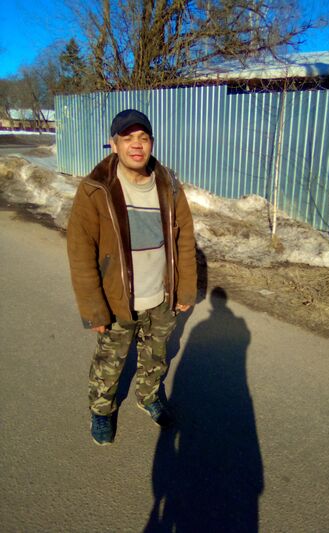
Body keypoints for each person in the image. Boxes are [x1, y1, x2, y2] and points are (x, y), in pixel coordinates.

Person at [67, 109, 197, 445]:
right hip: (117, 300)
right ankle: (101, 409)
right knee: (110, 362)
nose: (136, 145)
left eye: (143, 138)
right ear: (114, 145)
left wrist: (185, 289)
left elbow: (184, 239)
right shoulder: (96, 189)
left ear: (151, 143)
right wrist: (94, 309)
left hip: (161, 297)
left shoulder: (169, 186)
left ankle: (148, 396)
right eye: (127, 138)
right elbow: (81, 252)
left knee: (155, 355)